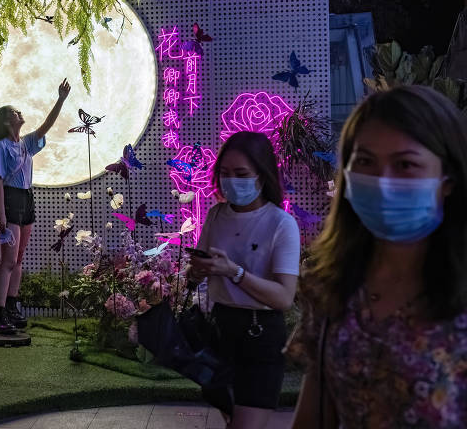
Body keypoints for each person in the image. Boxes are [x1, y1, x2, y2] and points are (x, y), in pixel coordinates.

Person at [287, 85, 467, 428]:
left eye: (405, 164)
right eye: (366, 162)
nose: (383, 182)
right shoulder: (331, 285)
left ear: (449, 179)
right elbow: (313, 416)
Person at [187, 130, 301, 429]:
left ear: (261, 176)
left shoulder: (281, 223)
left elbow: (284, 297)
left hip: (260, 335)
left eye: (241, 173)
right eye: (225, 173)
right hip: (220, 331)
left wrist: (233, 272)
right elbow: (200, 269)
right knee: (231, 419)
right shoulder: (216, 215)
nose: (232, 181)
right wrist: (198, 270)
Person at [0, 78, 71, 333]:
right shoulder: (1, 147)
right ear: (5, 121)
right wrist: (1, 212)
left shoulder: (25, 144)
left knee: (20, 258)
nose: (19, 113)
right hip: (11, 200)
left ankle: (12, 306)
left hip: (27, 198)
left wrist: (61, 99)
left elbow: (46, 126)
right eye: (14, 112)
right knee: (8, 261)